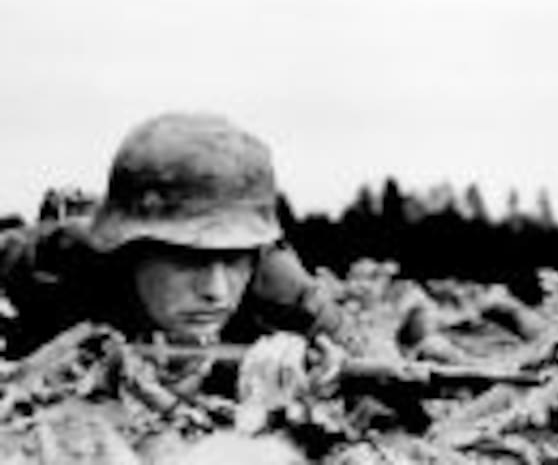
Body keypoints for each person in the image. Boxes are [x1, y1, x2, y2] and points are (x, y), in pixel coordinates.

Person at [0, 111, 353, 360]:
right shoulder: (62, 259)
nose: (216, 291)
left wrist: (332, 379)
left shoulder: (285, 291)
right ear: (129, 248)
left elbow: (371, 371)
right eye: (190, 259)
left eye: (234, 259)